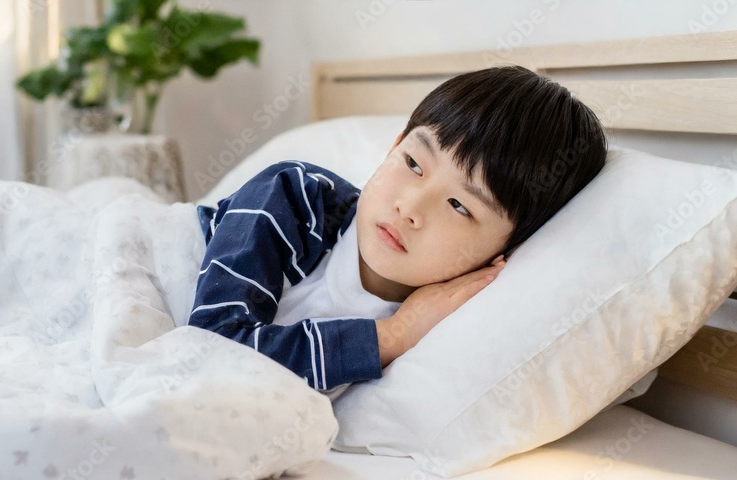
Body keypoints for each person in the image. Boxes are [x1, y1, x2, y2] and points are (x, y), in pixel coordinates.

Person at [188, 65, 607, 398]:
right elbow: (210, 352)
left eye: (459, 206)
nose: (409, 208)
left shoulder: (448, 321)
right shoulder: (293, 198)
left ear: (505, 252)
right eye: (412, 163)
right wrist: (393, 335)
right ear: (394, 146)